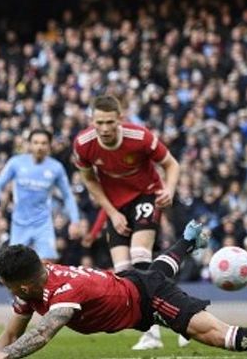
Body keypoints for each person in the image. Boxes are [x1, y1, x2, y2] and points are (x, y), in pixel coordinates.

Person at [0, 221, 247, 359]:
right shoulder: (33, 283)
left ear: (24, 283)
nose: (7, 289)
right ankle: (185, 242)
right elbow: (11, 333)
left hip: (149, 301)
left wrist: (3, 358)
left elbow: (40, 336)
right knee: (157, 270)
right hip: (135, 282)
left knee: (220, 337)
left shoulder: (63, 293)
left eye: (7, 284)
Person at [72, 94, 182, 350]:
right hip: (116, 206)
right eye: (99, 122)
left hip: (147, 194)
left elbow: (171, 164)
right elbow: (89, 180)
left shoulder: (140, 137)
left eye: (110, 122)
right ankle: (157, 326)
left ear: (120, 119)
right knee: (123, 272)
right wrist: (111, 213)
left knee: (140, 254)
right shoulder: (83, 144)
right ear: (92, 120)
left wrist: (170, 189)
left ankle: (168, 322)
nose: (105, 128)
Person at [0, 129, 80, 261]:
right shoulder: (16, 163)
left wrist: (75, 221)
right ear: (30, 144)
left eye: (43, 143)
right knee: (15, 266)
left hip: (42, 223)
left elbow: (68, 196)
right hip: (20, 223)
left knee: (47, 265)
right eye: (36, 143)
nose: (39, 147)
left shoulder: (55, 168)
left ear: (49, 146)